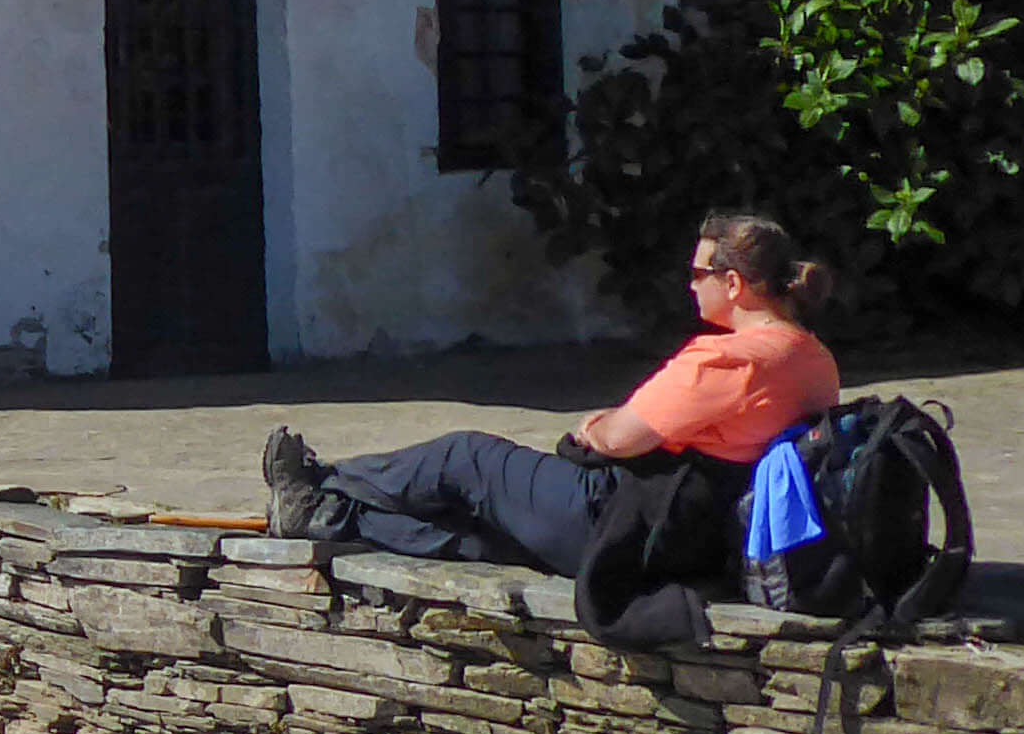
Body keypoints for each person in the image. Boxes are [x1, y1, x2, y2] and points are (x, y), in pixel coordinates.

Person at [259, 213, 841, 577]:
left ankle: (325, 484)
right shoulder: (814, 359)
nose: (690, 285)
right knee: (480, 537)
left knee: (466, 458)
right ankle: (325, 513)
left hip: (621, 520)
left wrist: (594, 426)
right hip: (690, 538)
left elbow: (617, 439)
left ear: (733, 284)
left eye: (699, 275)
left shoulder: (727, 359)